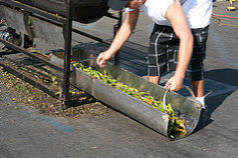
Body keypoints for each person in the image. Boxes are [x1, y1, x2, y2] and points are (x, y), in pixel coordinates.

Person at [97, 0, 212, 109]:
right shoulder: (134, 3)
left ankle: (200, 103)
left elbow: (187, 38)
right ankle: (153, 97)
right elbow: (128, 25)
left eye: (127, 4)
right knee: (156, 50)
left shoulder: (162, 4)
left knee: (193, 62)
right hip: (170, 13)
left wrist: (179, 76)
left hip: (195, 13)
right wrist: (110, 51)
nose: (126, 8)